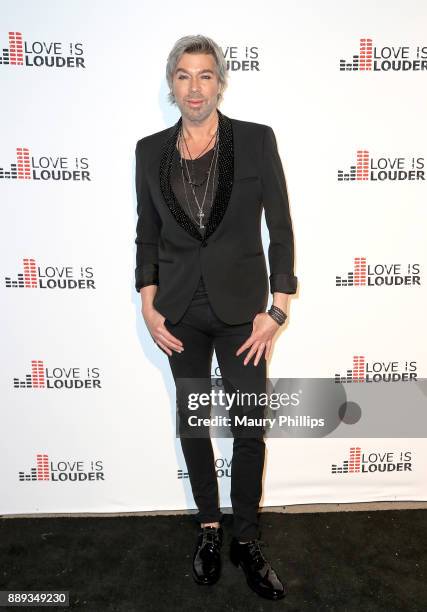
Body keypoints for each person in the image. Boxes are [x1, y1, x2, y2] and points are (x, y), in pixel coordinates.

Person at [134, 34, 297, 601]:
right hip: (179, 313)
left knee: (250, 427)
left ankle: (246, 539)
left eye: (205, 75)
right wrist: (148, 303)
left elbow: (280, 226)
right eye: (184, 75)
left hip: (242, 315)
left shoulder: (254, 141)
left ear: (219, 82)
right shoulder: (149, 150)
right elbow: (147, 235)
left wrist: (278, 308)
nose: (195, 87)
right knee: (194, 423)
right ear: (171, 84)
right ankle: (209, 526)